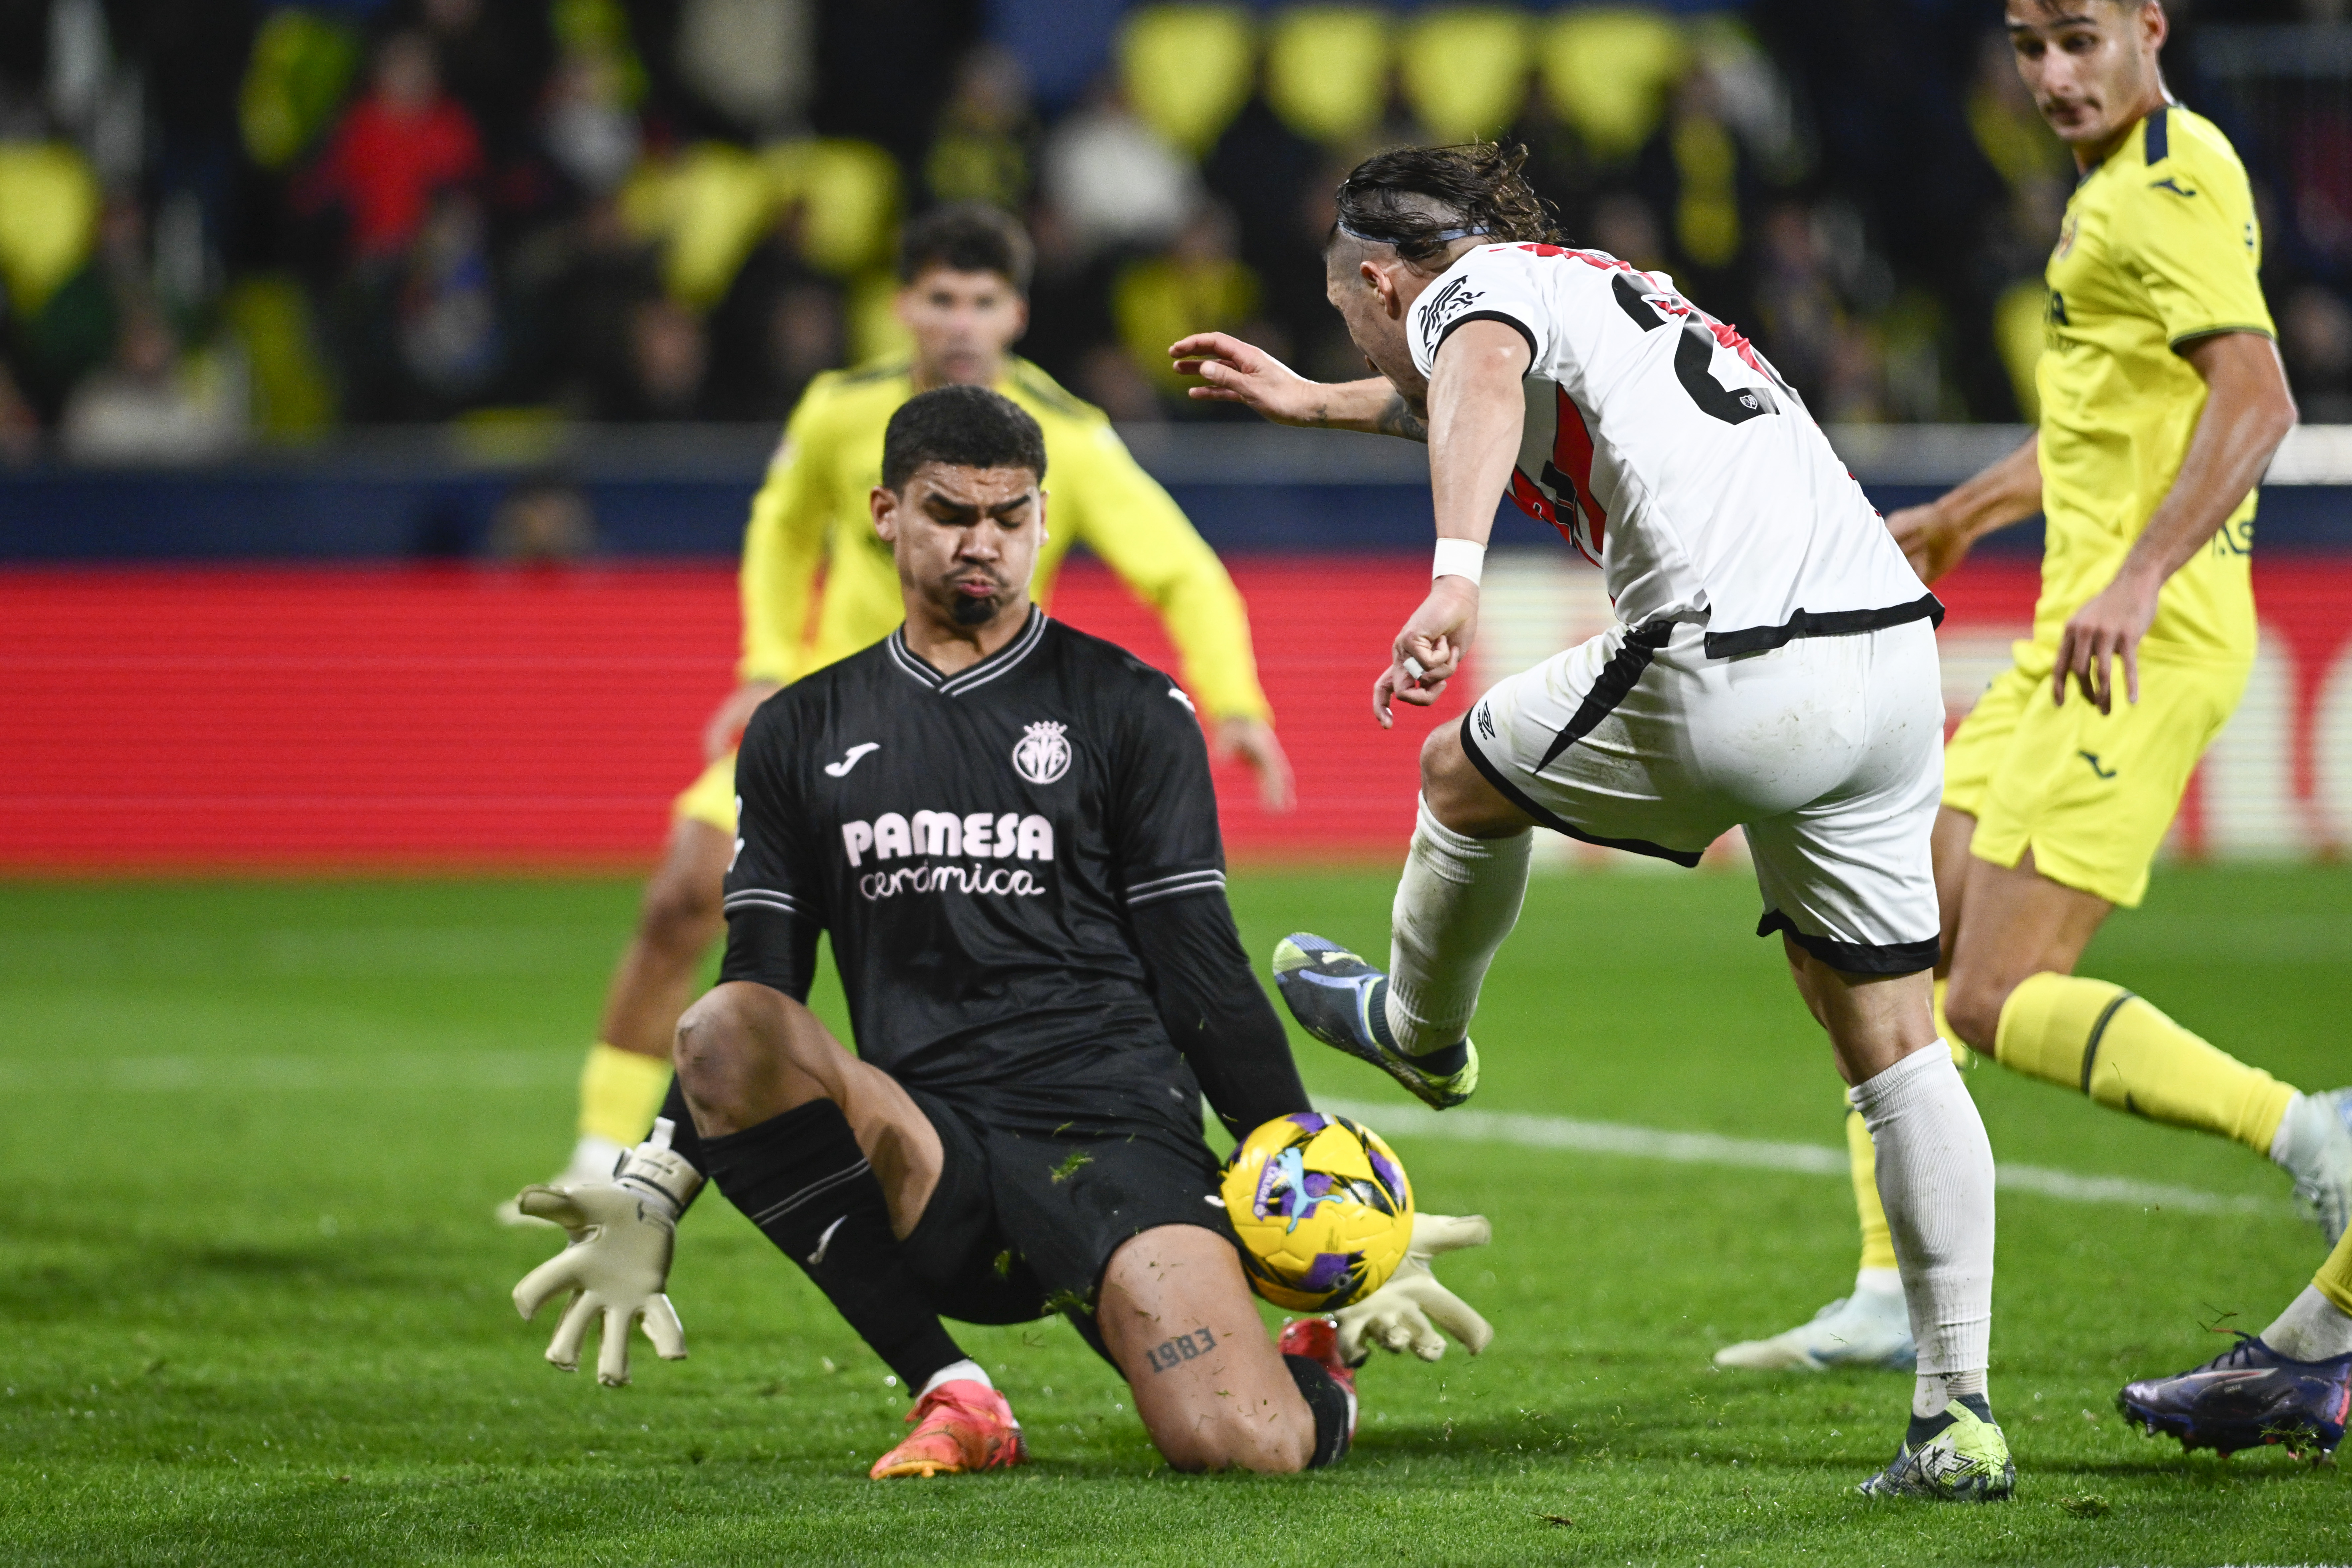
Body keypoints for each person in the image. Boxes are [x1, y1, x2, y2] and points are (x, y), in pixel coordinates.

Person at [1173, 143, 2008, 1502]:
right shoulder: (1612, 285)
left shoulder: (1472, 300)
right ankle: (1957, 1414)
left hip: (1732, 659)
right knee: (1893, 1039)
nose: (1364, 335)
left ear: (1381, 279)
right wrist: (1315, 402)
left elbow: (1479, 382)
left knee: (1457, 775)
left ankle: (1418, 1037)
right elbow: (1472, 397)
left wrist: (1452, 581)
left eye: (1348, 316)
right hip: (1893, 670)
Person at [508, 387, 1492, 1477]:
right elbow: (764, 988)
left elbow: (1198, 968)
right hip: (928, 1152)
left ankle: (1315, 1368)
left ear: (1041, 517)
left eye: (1010, 517)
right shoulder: (799, 729)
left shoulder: (1129, 708)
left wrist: (1323, 1186)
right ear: (886, 512)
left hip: (1118, 1136)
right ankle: (955, 1392)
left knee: (1246, 1446)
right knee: (724, 1024)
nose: (983, 544)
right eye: (950, 514)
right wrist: (657, 1183)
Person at [1713, 0, 2347, 1380]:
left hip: (2142, 642)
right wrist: (1962, 513)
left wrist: (2135, 580)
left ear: (2149, 29)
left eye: (2079, 40)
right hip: (2075, 641)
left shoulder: (2173, 184)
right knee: (1871, 934)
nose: (2053, 75)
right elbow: (2106, 430)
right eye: (2028, 45)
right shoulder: (2114, 192)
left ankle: (2317, 1135)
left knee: (1995, 996)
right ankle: (1892, 1286)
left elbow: (2258, 404)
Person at [504, 204, 1295, 1214]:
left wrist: (1232, 701)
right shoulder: (841, 410)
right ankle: (600, 1154)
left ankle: (1108, 1161)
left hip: (984, 737)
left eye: (982, 300)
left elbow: (1184, 571)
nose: (960, 321)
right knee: (681, 898)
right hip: (826, 720)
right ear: (902, 306)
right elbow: (782, 529)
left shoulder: (1072, 439)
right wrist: (763, 664)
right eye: (940, 299)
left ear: (1014, 312)